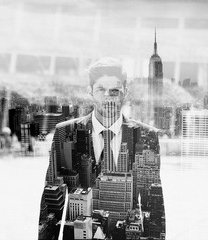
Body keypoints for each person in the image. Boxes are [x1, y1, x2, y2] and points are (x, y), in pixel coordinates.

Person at [38, 57, 165, 239]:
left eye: (115, 90)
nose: (108, 97)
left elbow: (155, 207)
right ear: (90, 91)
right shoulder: (64, 132)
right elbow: (51, 205)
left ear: (125, 92)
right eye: (101, 90)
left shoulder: (148, 135)